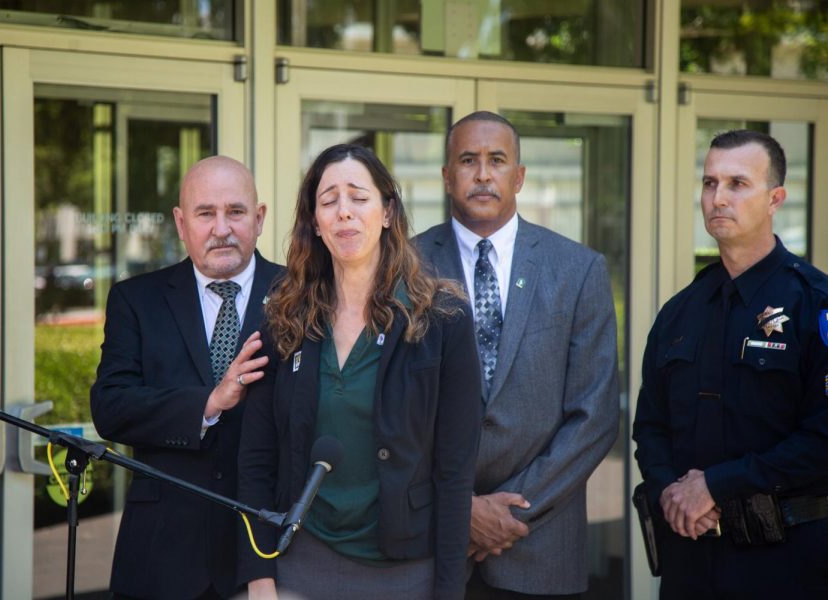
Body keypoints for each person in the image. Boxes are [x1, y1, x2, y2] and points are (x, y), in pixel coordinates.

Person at [236, 144, 483, 600]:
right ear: (315, 221)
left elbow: (454, 475)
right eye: (329, 201)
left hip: (406, 570)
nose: (344, 213)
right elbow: (256, 458)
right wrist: (259, 577)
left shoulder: (442, 320)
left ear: (388, 211)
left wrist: (449, 592)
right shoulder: (283, 318)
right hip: (301, 563)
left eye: (358, 197)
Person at [414, 111, 620, 599]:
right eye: (468, 160)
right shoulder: (405, 267)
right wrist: (460, 509)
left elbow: (594, 417)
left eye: (497, 160)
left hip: (540, 547)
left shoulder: (579, 269)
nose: (483, 174)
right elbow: (392, 414)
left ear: (519, 176)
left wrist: (508, 514)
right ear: (447, 176)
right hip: (435, 548)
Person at [633, 130, 828, 599]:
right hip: (690, 560)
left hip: (785, 564)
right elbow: (650, 427)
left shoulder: (813, 304)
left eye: (737, 183)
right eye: (709, 183)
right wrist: (671, 494)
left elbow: (823, 438)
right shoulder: (681, 311)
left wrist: (717, 486)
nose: (718, 198)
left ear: (775, 198)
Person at [90, 156, 283, 599]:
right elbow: (111, 407)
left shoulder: (302, 296)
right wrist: (208, 403)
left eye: (235, 212)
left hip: (267, 557)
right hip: (162, 558)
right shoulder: (136, 300)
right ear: (181, 223)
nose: (221, 228)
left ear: (259, 218)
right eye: (205, 213)